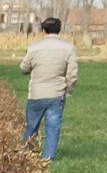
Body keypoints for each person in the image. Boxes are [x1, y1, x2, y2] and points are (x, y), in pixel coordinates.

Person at [19, 15, 78, 162]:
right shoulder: (68, 48)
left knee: (31, 127)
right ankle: (47, 160)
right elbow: (72, 74)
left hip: (36, 95)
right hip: (56, 95)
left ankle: (26, 156)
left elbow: (23, 68)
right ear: (59, 30)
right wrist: (68, 90)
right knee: (53, 128)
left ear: (43, 30)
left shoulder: (33, 48)